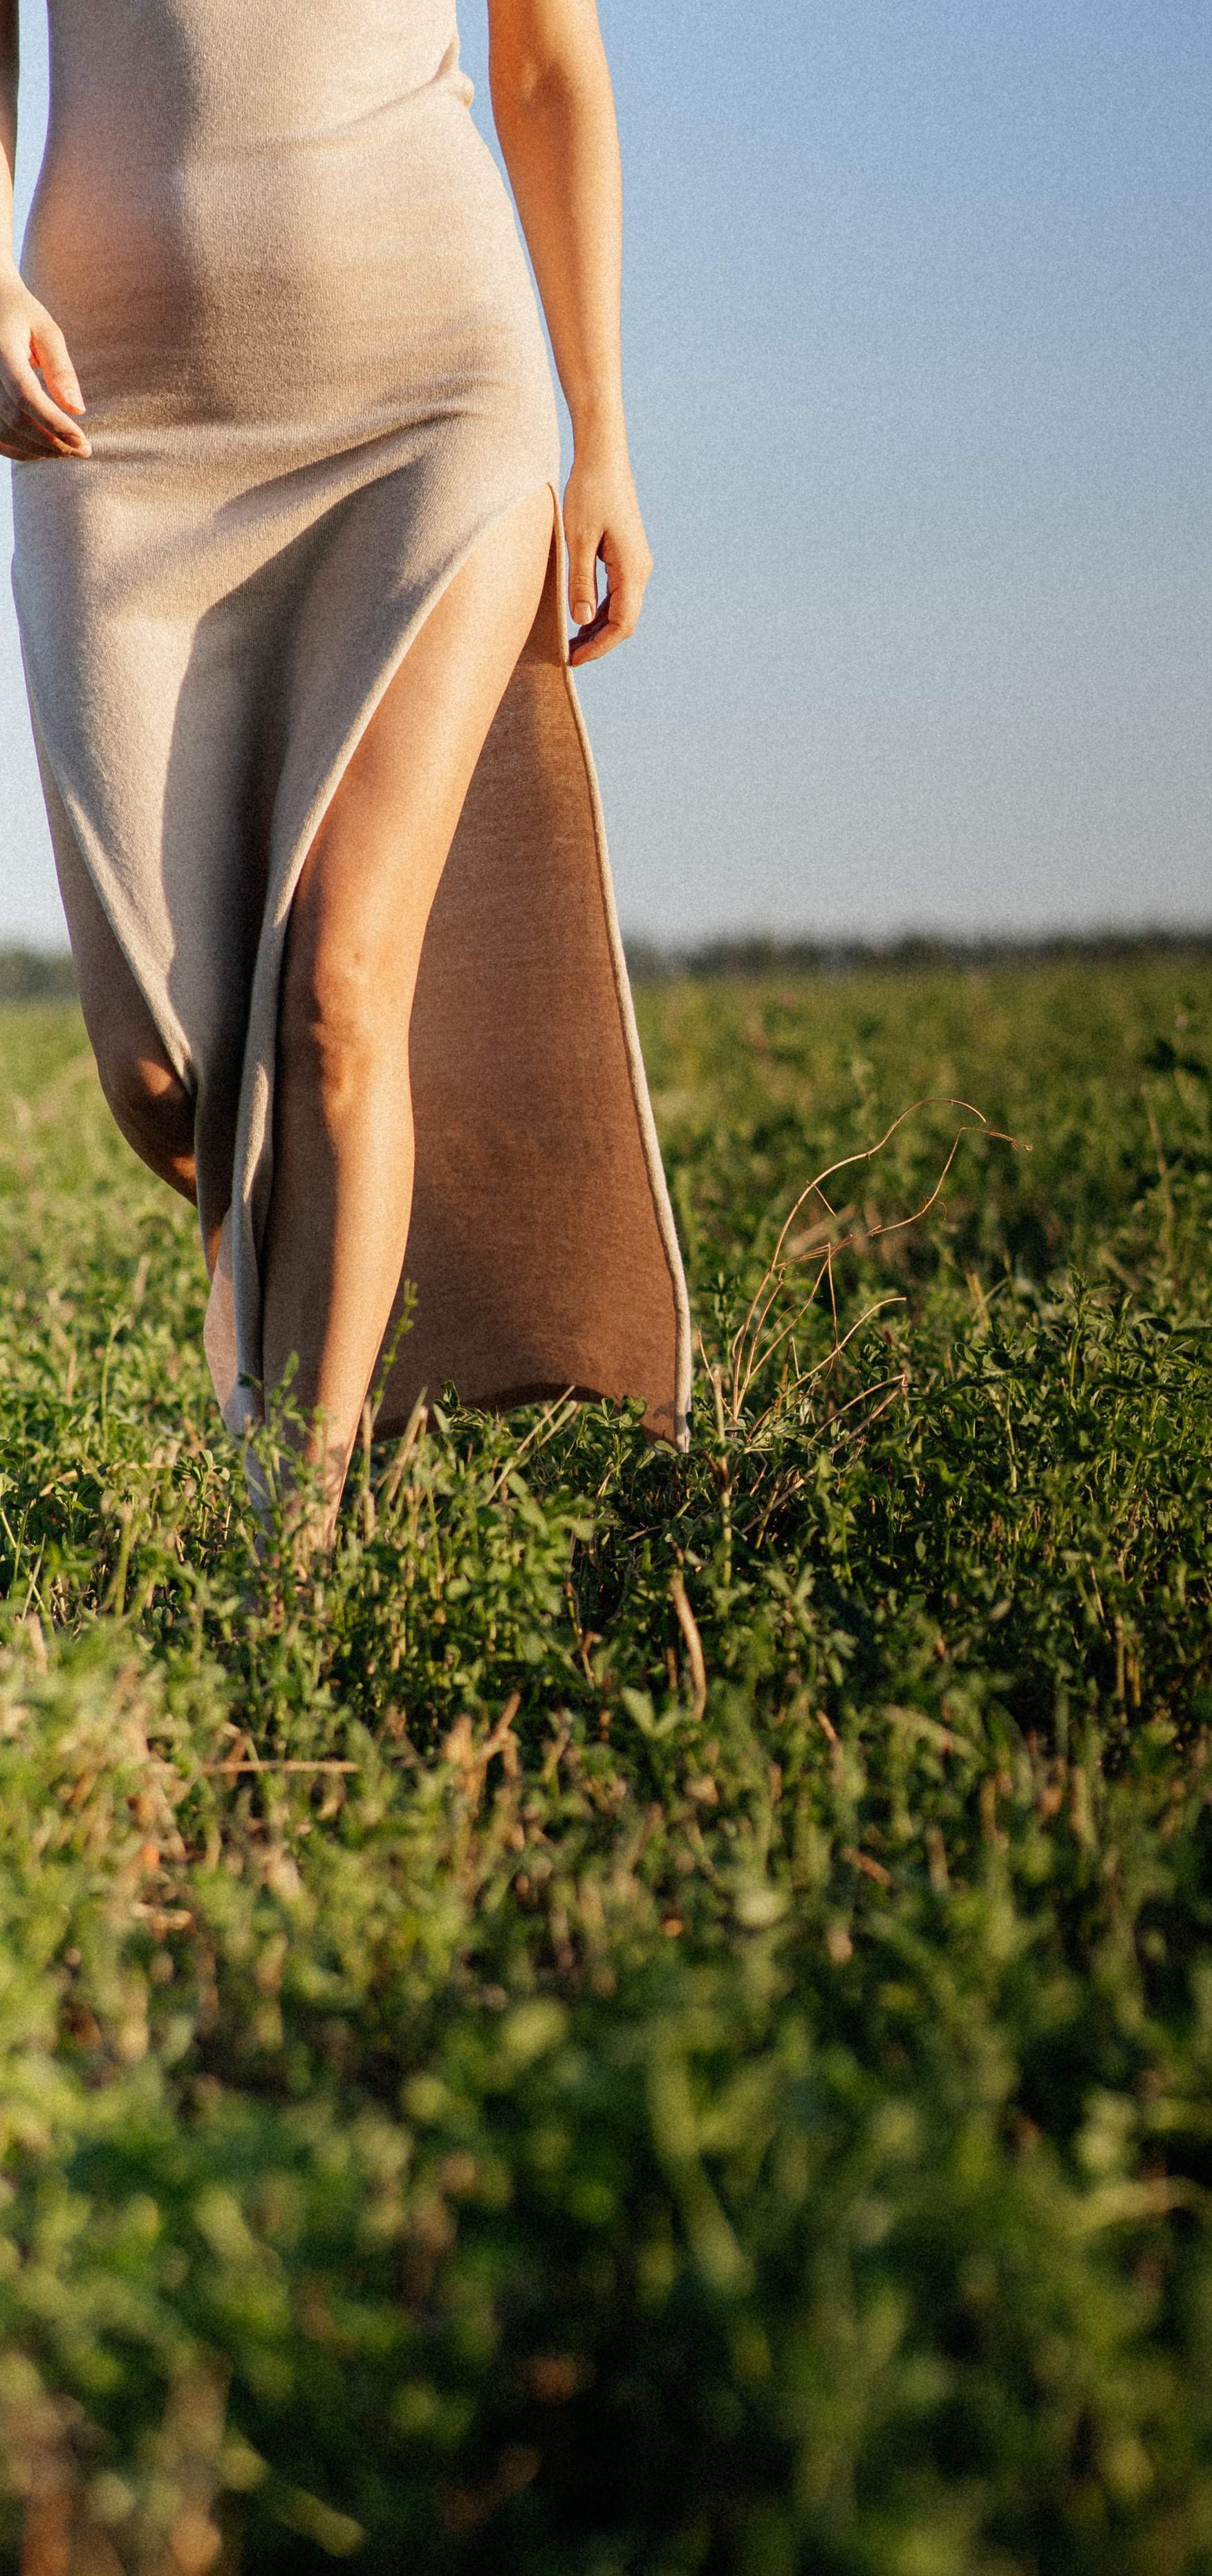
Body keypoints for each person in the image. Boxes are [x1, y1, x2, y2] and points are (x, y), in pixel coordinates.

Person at [0, 0, 691, 1544]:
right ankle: (368, 1293)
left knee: (336, 992)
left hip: (430, 388)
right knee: (167, 1077)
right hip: (112, 420)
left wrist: (603, 432)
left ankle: (294, 1554)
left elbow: (545, 66)